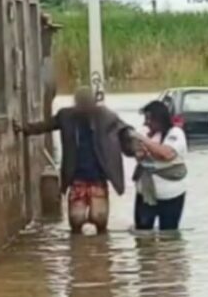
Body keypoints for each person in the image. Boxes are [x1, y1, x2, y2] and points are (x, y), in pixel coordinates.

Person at [14, 87, 136, 234]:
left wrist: (133, 143)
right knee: (76, 219)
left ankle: (101, 248)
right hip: (77, 177)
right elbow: (46, 125)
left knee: (99, 218)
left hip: (98, 177)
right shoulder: (66, 116)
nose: (84, 106)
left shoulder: (105, 116)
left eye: (87, 102)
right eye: (81, 102)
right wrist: (24, 129)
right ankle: (78, 250)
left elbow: (123, 129)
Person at [132, 101, 188, 231]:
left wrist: (145, 141)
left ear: (160, 119)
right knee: (142, 233)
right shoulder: (144, 132)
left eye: (149, 119)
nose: (146, 123)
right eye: (145, 119)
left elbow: (167, 154)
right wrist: (138, 149)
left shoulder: (176, 133)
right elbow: (137, 154)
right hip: (145, 194)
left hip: (172, 195)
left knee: (168, 235)